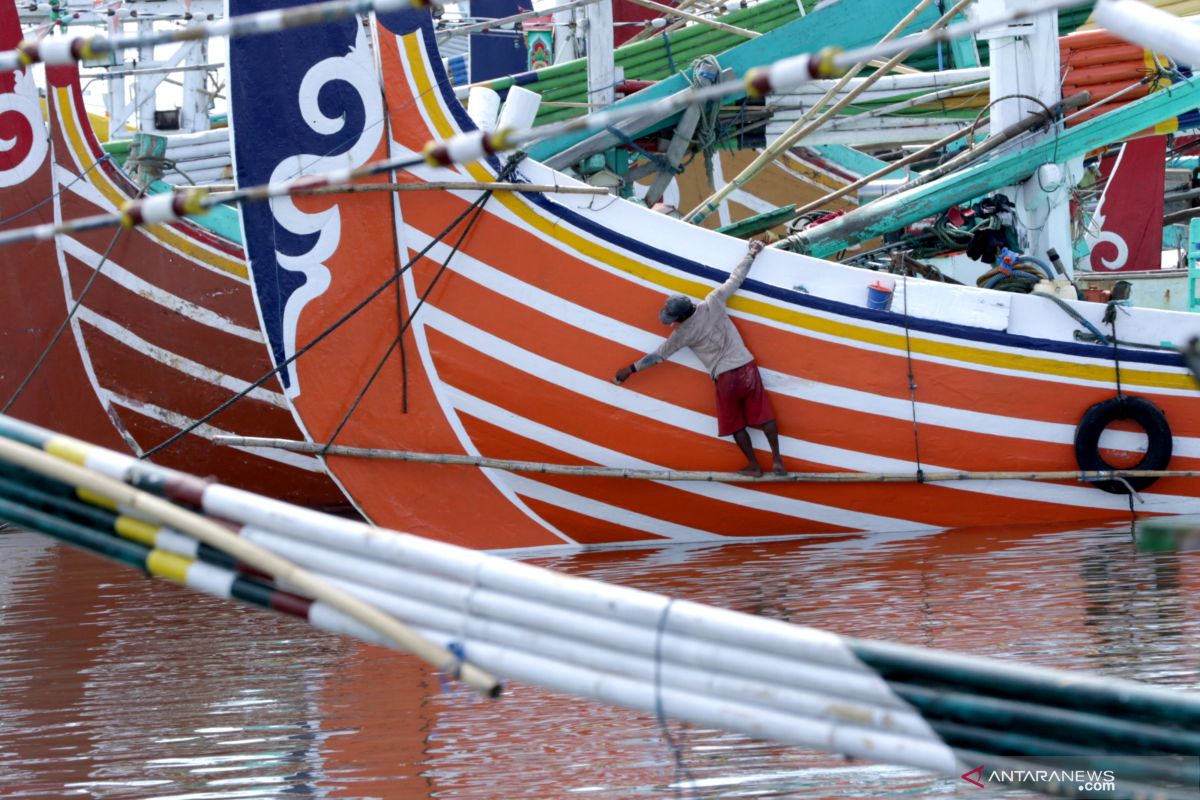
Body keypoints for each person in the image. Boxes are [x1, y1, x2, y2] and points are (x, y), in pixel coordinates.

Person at [613, 239, 786, 477]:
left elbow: (658, 356)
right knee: (764, 415)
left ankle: (755, 466)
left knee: (736, 424)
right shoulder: (713, 301)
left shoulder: (682, 334)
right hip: (746, 366)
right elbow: (736, 278)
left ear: (679, 317)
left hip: (725, 378)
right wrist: (752, 252)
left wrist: (630, 369)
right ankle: (777, 462)